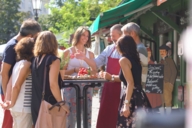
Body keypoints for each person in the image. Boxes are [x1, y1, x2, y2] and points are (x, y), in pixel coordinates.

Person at [0, 19, 41, 128]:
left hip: (14, 93)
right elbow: (4, 73)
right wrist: (8, 99)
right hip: (14, 94)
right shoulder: (11, 46)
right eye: (36, 36)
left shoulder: (20, 59)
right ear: (30, 36)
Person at [31, 31, 69, 126]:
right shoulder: (53, 60)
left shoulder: (34, 60)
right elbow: (53, 84)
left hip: (36, 102)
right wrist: (61, 103)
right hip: (49, 101)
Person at [61, 26, 96, 128]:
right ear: (77, 35)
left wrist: (87, 71)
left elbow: (94, 71)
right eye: (83, 35)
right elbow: (62, 73)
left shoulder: (90, 54)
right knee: (70, 115)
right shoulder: (67, 52)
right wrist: (74, 70)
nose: (85, 38)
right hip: (70, 87)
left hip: (86, 87)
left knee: (87, 113)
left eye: (87, 36)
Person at [116, 35, 151, 128]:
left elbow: (130, 83)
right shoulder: (135, 59)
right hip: (140, 95)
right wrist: (111, 77)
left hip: (131, 97)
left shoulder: (123, 60)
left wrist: (126, 104)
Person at [0, 37, 34, 128]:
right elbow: (16, 86)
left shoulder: (17, 64)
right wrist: (12, 103)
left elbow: (9, 84)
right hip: (23, 107)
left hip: (16, 107)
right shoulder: (27, 64)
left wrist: (8, 101)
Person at [95, 24, 122, 128]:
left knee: (118, 116)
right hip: (108, 88)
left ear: (121, 35)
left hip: (121, 88)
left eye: (113, 36)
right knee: (106, 116)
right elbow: (97, 62)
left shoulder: (128, 51)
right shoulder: (109, 49)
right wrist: (84, 59)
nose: (111, 38)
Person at [121, 22, 148, 88]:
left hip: (135, 89)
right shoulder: (136, 48)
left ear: (132, 33)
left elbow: (141, 71)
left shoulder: (139, 49)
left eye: (124, 34)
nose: (122, 37)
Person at [158, 43, 177, 115]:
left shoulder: (170, 60)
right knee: (161, 100)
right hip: (160, 83)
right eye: (160, 52)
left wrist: (171, 83)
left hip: (167, 83)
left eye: (163, 51)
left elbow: (174, 72)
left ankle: (168, 117)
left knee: (168, 100)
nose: (162, 53)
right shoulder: (160, 62)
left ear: (166, 52)